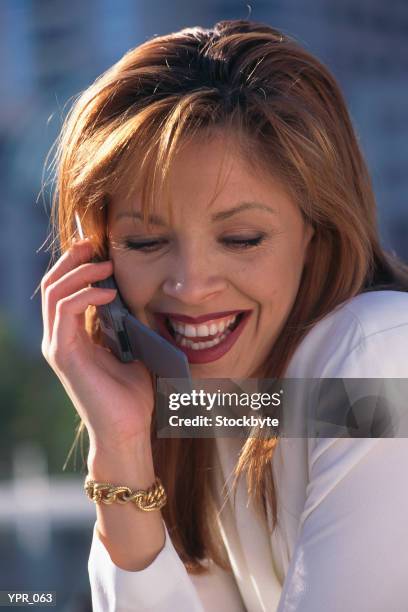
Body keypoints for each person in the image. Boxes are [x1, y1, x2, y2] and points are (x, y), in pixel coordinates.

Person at [40, 19, 408, 611]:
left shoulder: (381, 353)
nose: (189, 287)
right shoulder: (210, 410)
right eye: (143, 243)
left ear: (318, 231)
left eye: (240, 238)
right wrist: (122, 447)